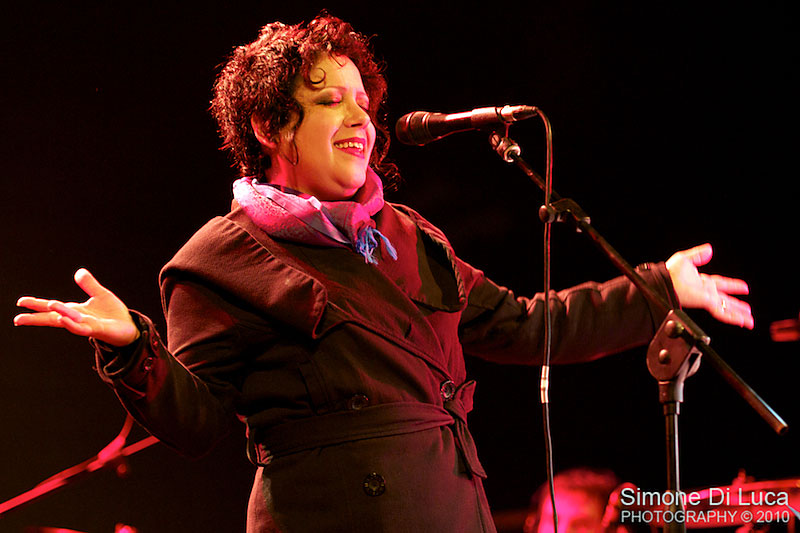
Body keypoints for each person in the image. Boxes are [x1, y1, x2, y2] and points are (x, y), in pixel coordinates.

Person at [14, 13, 753, 533]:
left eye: (363, 103)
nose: (360, 120)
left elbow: (528, 324)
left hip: (451, 510)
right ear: (269, 127)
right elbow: (198, 421)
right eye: (328, 101)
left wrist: (658, 287)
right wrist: (130, 348)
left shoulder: (409, 234)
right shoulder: (219, 256)